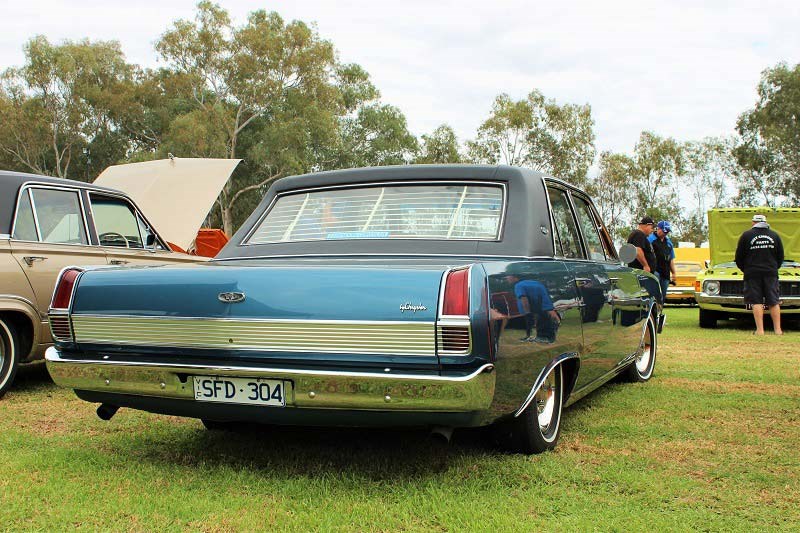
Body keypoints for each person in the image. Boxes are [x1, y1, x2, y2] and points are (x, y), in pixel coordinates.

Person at [735, 214, 784, 335]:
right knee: (774, 301)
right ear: (766, 222)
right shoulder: (774, 235)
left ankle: (760, 330)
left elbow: (739, 257)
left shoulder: (746, 235)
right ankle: (778, 330)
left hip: (752, 273)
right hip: (771, 273)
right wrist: (773, 268)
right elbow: (780, 256)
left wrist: (746, 269)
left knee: (756, 301)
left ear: (753, 222)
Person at [504, 274, 560, 343]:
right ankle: (545, 336)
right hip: (543, 304)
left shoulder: (518, 285)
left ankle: (538, 337)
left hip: (535, 307)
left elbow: (524, 298)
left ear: (515, 277)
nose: (506, 279)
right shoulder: (534, 283)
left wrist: (527, 312)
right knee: (547, 318)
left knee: (534, 321)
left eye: (508, 277)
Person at [648, 220, 677, 304]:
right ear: (658, 229)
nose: (665, 233)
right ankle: (652, 313)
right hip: (655, 272)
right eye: (664, 231)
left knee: (662, 296)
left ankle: (659, 313)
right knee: (653, 295)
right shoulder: (650, 240)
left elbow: (670, 258)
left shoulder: (668, 243)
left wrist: (674, 273)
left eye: (667, 232)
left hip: (665, 274)